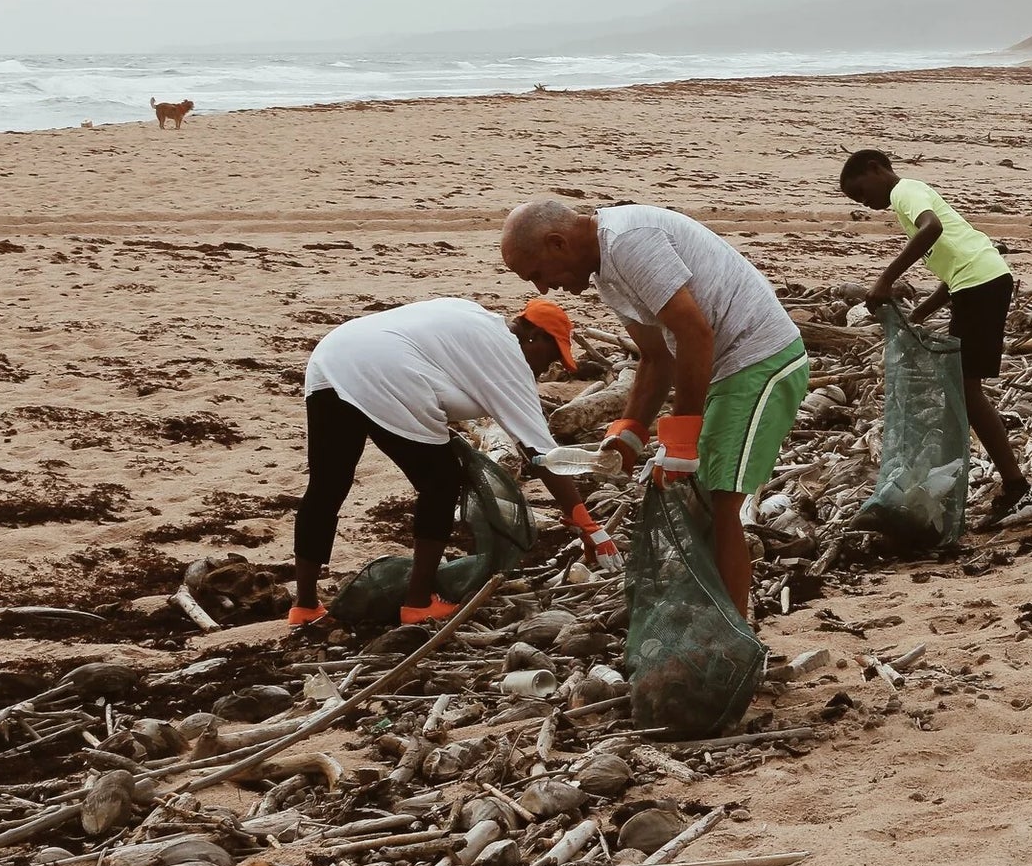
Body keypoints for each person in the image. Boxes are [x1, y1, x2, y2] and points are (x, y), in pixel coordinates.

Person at [501, 199, 807, 620]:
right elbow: (656, 357)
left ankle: (732, 632)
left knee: (721, 500)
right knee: (698, 498)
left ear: (557, 244)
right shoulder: (607, 273)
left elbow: (695, 335)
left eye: (536, 274)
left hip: (761, 359)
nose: (543, 289)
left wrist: (680, 439)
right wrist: (630, 432)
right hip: (727, 370)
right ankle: (712, 616)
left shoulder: (628, 242)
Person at [291, 296, 617, 629]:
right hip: (388, 371)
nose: (547, 369)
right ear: (534, 335)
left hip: (332, 356)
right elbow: (543, 454)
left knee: (327, 485)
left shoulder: (472, 314)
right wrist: (589, 525)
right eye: (551, 356)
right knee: (442, 482)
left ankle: (304, 606)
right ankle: (418, 603)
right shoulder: (509, 357)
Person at [838, 150, 1032, 528]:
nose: (865, 203)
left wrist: (885, 279)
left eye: (861, 191)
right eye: (856, 202)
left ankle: (1019, 489)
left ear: (876, 169)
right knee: (965, 390)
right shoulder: (907, 205)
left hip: (981, 284)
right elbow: (954, 266)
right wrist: (922, 312)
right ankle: (1013, 487)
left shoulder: (906, 191)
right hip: (977, 282)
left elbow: (933, 228)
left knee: (967, 390)